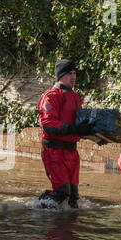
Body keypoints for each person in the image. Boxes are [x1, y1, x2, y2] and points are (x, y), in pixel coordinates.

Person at [37, 58, 92, 208]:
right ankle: (38, 205)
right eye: (69, 73)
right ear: (60, 76)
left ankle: (66, 224)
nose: (73, 77)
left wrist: (89, 130)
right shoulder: (51, 95)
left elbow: (78, 123)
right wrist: (72, 129)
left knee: (73, 197)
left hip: (71, 152)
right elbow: (47, 123)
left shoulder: (75, 96)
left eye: (74, 73)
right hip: (53, 150)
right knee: (62, 193)